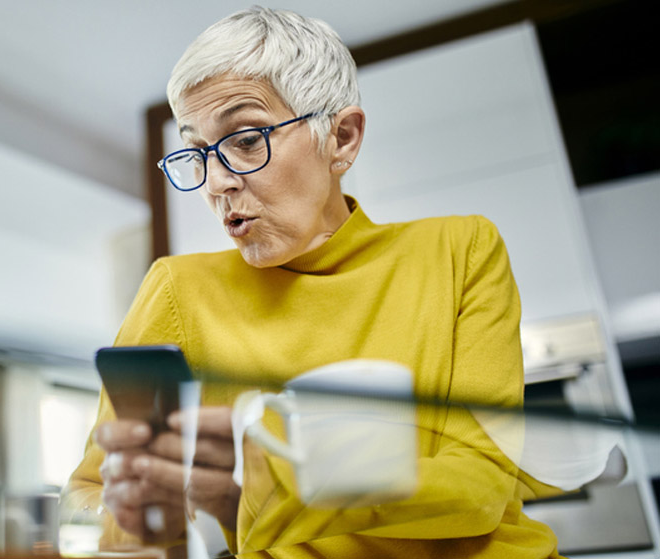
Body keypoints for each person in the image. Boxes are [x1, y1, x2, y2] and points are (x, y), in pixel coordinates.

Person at [63, 7, 563, 558]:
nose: (219, 183)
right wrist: (153, 514)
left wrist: (251, 492)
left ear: (342, 139)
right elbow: (90, 492)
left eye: (247, 139)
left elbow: (480, 488)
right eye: (198, 152)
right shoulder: (179, 288)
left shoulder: (460, 249)